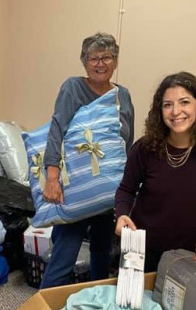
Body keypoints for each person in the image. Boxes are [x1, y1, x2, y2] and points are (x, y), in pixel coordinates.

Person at [40, 32, 134, 288]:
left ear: (115, 61)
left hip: (108, 190)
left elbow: (127, 142)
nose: (100, 64)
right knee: (65, 254)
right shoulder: (73, 87)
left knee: (103, 252)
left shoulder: (122, 95)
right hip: (75, 188)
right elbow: (57, 129)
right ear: (84, 61)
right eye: (94, 58)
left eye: (106, 57)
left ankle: (96, 301)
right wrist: (51, 177)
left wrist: (127, 188)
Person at [115, 72, 196, 272]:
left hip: (190, 254)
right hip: (141, 250)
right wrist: (122, 214)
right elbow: (126, 190)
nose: (175, 111)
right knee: (134, 303)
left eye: (184, 102)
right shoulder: (145, 148)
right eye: (167, 105)